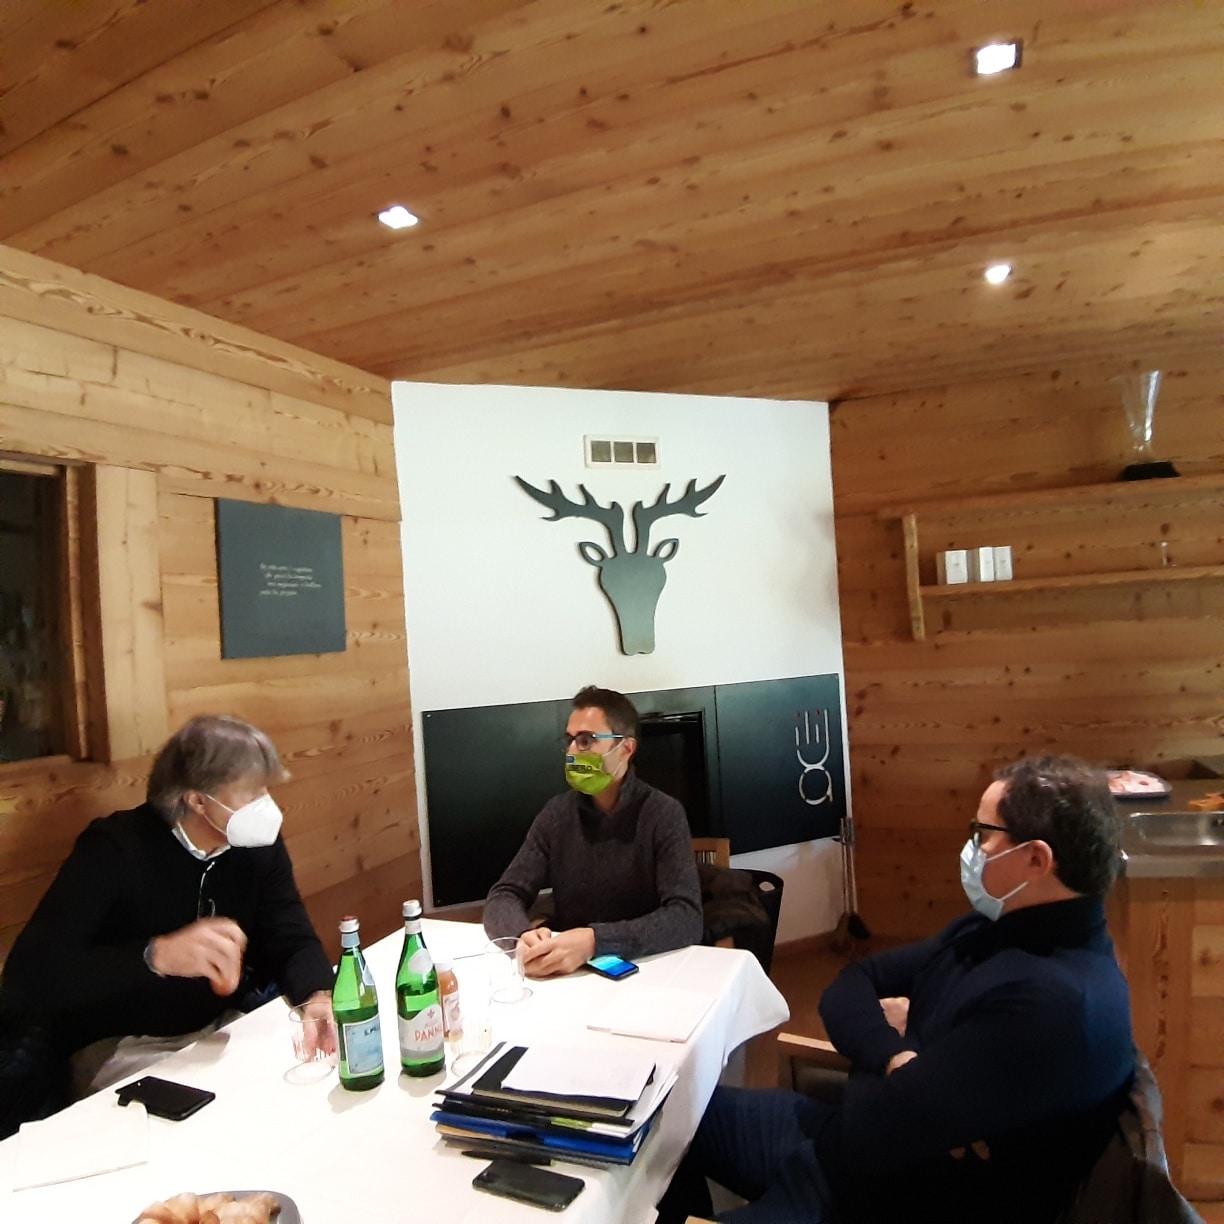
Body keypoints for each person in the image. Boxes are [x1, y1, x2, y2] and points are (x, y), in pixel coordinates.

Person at [659, 755, 1135, 1224]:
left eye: (983, 833)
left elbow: (871, 1131)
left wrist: (910, 1032)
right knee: (660, 1120)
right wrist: (899, 1056)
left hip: (878, 1202)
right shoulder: (993, 928)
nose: (971, 847)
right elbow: (852, 982)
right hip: (832, 1147)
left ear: (1035, 859)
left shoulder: (1054, 1005)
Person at [0, 715, 335, 1126]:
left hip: (217, 1027)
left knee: (295, 1101)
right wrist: (154, 956)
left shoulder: (255, 846)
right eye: (252, 792)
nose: (266, 805)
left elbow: (291, 935)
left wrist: (318, 996)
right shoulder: (114, 850)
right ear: (197, 801)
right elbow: (29, 976)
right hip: (122, 1044)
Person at [484, 685, 703, 978]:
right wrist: (521, 939)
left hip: (649, 969)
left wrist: (595, 941)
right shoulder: (557, 814)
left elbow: (686, 917)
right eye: (570, 740)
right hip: (570, 973)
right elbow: (505, 893)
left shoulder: (663, 813)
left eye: (586, 740)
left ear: (626, 749)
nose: (573, 751)